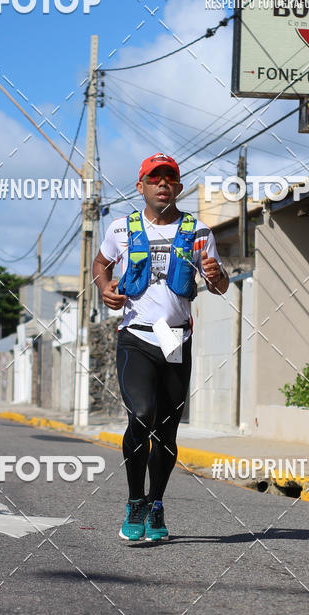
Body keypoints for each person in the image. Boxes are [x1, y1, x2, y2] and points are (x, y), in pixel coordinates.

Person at [93, 153, 229, 542]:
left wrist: (218, 275)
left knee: (167, 432)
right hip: (136, 334)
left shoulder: (199, 231)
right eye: (155, 178)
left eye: (170, 178)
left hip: (175, 337)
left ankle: (156, 504)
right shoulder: (121, 228)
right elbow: (100, 263)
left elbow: (218, 285)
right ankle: (135, 501)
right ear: (141, 187)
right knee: (143, 414)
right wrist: (104, 287)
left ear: (179, 187)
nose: (163, 184)